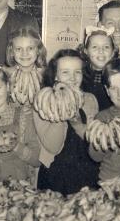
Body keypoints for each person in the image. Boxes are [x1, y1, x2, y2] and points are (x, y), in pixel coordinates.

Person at [35, 50, 99, 194]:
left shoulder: (90, 100)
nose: (73, 78)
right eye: (65, 72)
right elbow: (53, 146)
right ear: (55, 75)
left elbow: (92, 141)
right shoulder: (43, 100)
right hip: (55, 175)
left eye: (77, 72)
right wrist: (61, 106)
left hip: (87, 175)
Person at [81, 27, 117, 111]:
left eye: (106, 47)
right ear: (86, 51)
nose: (101, 51)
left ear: (113, 52)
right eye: (94, 47)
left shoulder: (118, 76)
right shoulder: (80, 75)